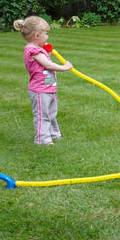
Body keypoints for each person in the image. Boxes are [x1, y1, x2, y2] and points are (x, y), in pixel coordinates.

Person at [13, 16, 73, 146]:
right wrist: (65, 67)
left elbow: (46, 61)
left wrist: (48, 52)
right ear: (36, 35)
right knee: (42, 115)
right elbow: (48, 65)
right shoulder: (32, 51)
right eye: (46, 34)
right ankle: (42, 139)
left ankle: (53, 134)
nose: (47, 37)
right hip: (40, 90)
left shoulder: (39, 50)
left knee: (51, 113)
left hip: (48, 88)